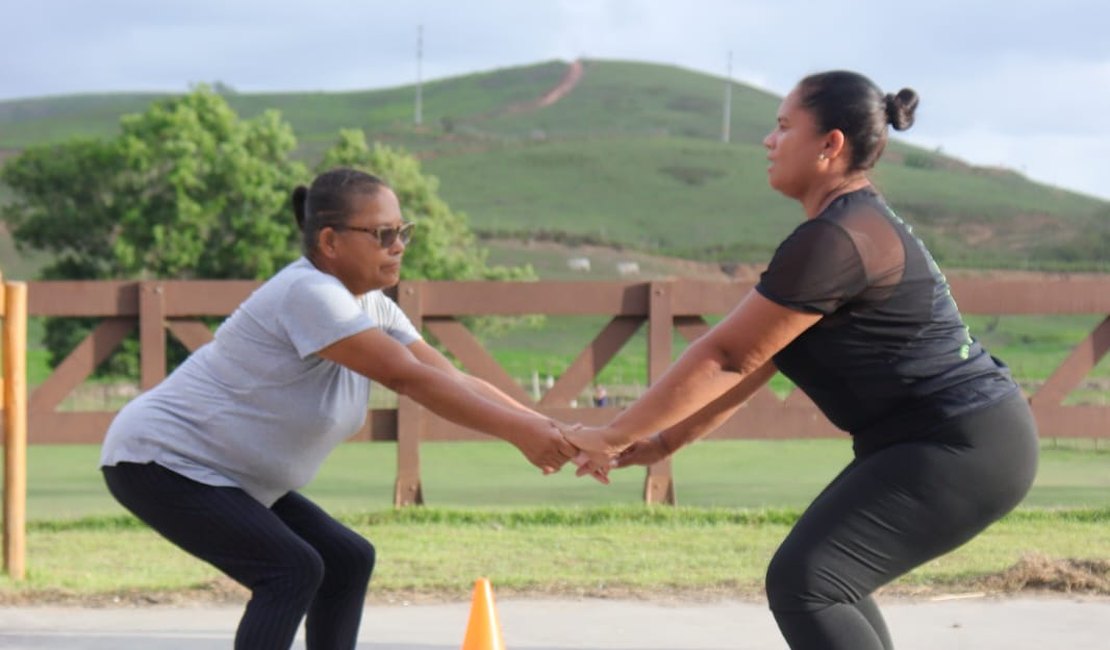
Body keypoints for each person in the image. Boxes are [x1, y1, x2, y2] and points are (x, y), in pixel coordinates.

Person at [564, 70, 1039, 650]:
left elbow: (727, 355)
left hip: (961, 445)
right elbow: (758, 361)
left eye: (784, 126)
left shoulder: (840, 239)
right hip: (949, 441)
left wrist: (611, 433)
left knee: (808, 581)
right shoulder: (841, 232)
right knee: (829, 578)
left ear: (830, 144)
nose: (769, 140)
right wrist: (661, 443)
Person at [99, 167, 579, 650]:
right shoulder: (308, 293)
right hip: (160, 461)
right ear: (330, 242)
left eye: (402, 232)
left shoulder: (372, 306)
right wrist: (524, 435)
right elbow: (406, 377)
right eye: (383, 234)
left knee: (347, 559)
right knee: (290, 570)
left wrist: (562, 434)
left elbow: (452, 379)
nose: (399, 245)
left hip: (229, 474)